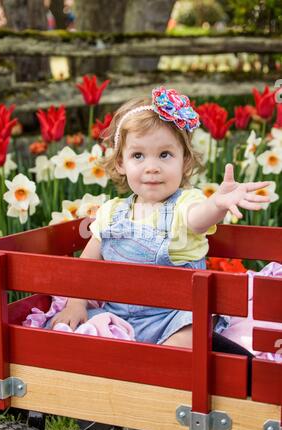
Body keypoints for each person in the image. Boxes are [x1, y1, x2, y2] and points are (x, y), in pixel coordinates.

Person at [49, 86, 271, 351]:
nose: (151, 166)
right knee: (82, 331)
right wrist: (75, 303)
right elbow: (86, 266)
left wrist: (217, 204)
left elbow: (197, 219)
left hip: (174, 316)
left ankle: (161, 369)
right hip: (119, 316)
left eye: (165, 155)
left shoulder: (185, 204)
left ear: (185, 162)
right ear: (121, 163)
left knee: (193, 330)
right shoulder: (110, 212)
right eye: (138, 155)